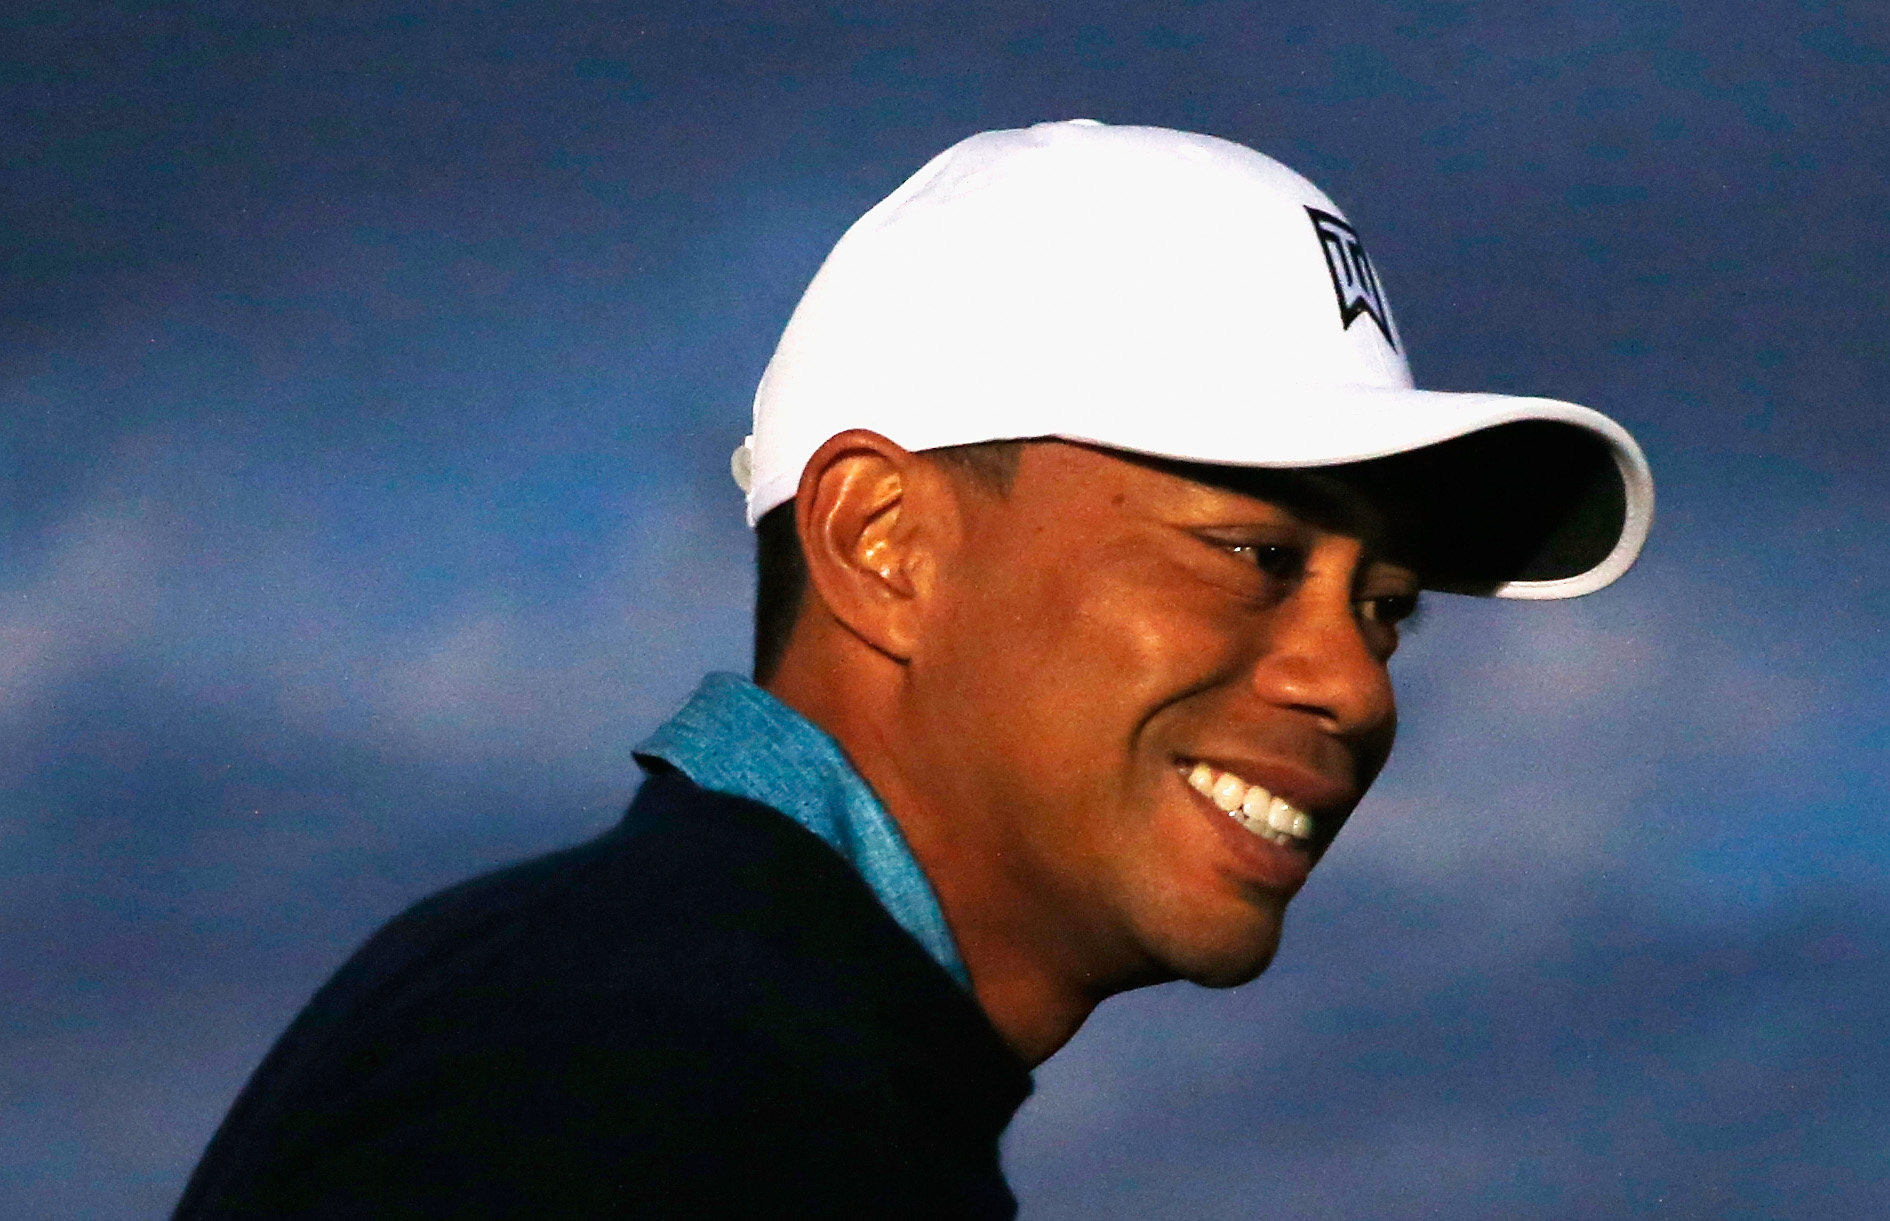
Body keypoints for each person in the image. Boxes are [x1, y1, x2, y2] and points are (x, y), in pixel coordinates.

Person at [172, 120, 1653, 1219]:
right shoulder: (645, 1070)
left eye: (1386, 605)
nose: (1353, 680)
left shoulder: (677, 1027)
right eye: (1254, 555)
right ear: (883, 540)